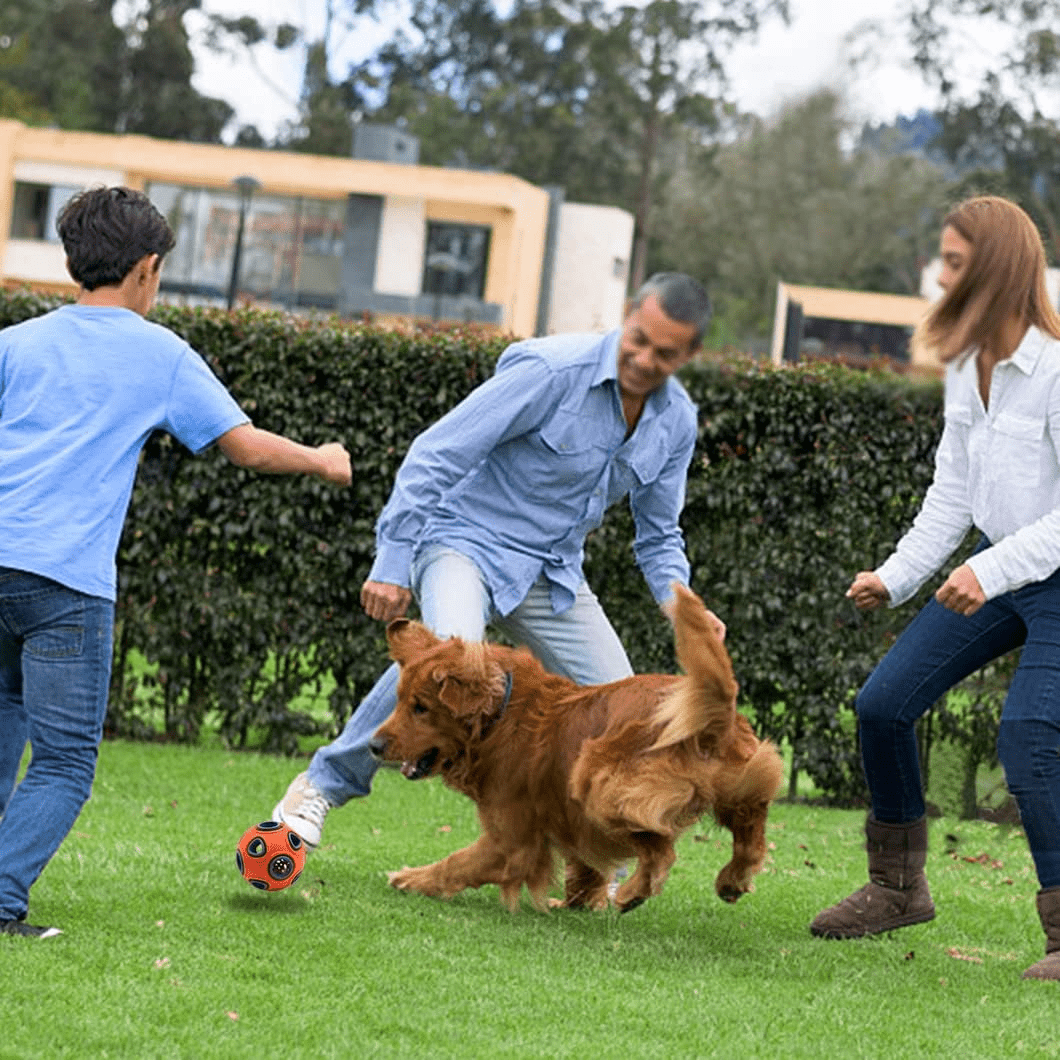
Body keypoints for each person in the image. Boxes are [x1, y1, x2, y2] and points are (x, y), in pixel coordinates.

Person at [0, 186, 352, 938]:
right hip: (64, 583)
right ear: (147, 269)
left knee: (4, 718)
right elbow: (246, 446)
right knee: (63, 764)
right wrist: (322, 460)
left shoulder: (18, 343)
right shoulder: (160, 354)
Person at [272, 271, 721, 851]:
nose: (642, 358)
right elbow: (436, 453)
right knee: (454, 659)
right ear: (628, 312)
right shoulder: (550, 371)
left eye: (664, 353)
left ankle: (586, 851)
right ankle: (322, 785)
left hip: (553, 574)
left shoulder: (675, 421)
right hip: (465, 542)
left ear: (690, 354)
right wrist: (393, 556)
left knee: (621, 706)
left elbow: (659, 536)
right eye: (637, 337)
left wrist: (684, 607)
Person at [809, 195, 1060, 982]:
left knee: (1028, 743)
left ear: (995, 270)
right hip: (1001, 569)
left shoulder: (1055, 370)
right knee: (882, 706)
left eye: (954, 262)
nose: (939, 274)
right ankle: (897, 887)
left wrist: (986, 571)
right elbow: (952, 494)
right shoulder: (965, 365)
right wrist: (895, 575)